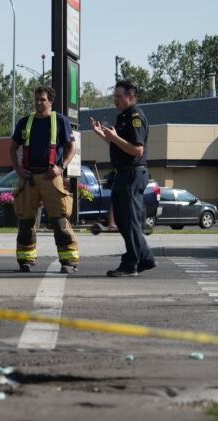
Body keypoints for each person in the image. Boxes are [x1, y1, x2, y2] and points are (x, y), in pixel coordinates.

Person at [90, 80, 156, 277]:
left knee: (130, 220)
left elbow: (137, 150)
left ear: (131, 97)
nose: (115, 100)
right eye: (115, 96)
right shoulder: (122, 117)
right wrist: (103, 134)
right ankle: (145, 258)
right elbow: (119, 145)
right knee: (121, 219)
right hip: (122, 174)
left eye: (119, 96)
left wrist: (114, 137)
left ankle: (131, 263)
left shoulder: (136, 116)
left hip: (132, 173)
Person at [10, 86, 79, 274]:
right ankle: (25, 259)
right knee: (25, 221)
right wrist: (17, 169)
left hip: (51, 176)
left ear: (50, 101)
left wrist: (61, 167)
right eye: (36, 99)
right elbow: (12, 147)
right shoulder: (25, 122)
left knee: (59, 221)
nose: (39, 102)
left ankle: (69, 261)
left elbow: (72, 147)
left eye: (42, 99)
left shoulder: (60, 121)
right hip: (28, 178)